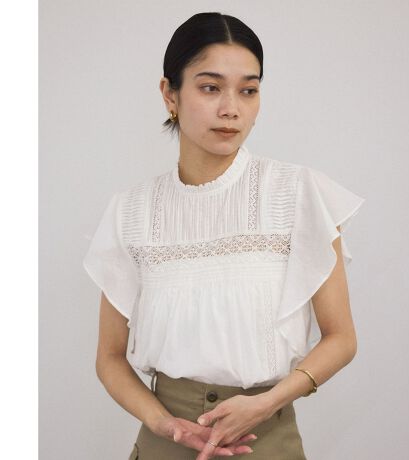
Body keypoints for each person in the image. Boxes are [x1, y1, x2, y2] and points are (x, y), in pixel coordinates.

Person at [83, 12, 366, 460]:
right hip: (165, 443)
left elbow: (341, 338)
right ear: (169, 94)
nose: (231, 108)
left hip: (266, 440)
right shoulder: (132, 211)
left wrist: (266, 403)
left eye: (248, 90)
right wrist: (163, 423)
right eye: (210, 87)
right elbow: (110, 358)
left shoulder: (298, 194)